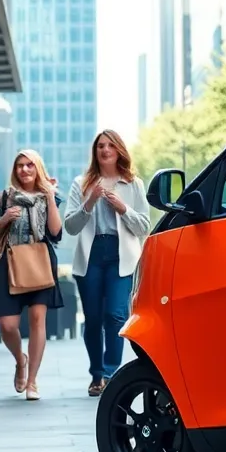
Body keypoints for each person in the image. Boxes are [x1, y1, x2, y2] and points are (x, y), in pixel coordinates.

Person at [63, 129, 151, 396]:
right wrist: (89, 203)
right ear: (95, 152)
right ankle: (96, 374)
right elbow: (70, 226)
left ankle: (112, 372)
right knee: (93, 319)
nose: (105, 150)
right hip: (91, 256)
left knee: (115, 314)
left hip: (121, 256)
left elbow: (144, 226)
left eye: (110, 145)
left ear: (119, 150)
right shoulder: (81, 183)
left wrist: (123, 208)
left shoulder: (133, 184)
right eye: (100, 146)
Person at [0, 149, 64, 401]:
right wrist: (5, 218)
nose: (25, 169)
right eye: (20, 165)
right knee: (8, 325)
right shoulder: (5, 197)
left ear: (38, 168)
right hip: (10, 261)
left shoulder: (48, 196)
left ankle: (32, 381)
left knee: (37, 320)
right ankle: (21, 359)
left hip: (40, 260)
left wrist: (51, 197)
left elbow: (55, 232)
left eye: (30, 165)